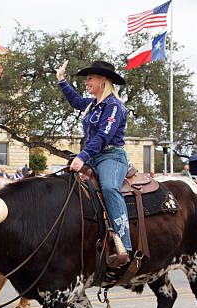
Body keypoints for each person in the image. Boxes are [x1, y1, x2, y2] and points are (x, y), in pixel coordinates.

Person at [57, 59, 131, 265]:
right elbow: (75, 102)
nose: (86, 82)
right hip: (94, 155)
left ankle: (124, 244)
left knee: (109, 188)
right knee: (68, 184)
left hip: (111, 156)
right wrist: (61, 80)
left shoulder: (115, 107)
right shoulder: (93, 104)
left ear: (103, 80)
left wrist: (82, 156)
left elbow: (103, 136)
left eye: (90, 78)